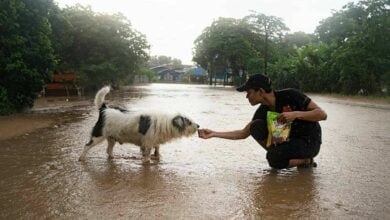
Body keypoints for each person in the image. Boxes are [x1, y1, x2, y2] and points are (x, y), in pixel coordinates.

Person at [198, 74, 327, 169]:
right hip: (288, 141)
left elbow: (322, 114)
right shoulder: (262, 111)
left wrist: (295, 114)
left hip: (309, 141)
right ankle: (280, 155)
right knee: (256, 127)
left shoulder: (291, 95)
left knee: (274, 159)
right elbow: (243, 133)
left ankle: (305, 161)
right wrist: (214, 134)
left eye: (249, 92)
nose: (247, 96)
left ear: (260, 91)